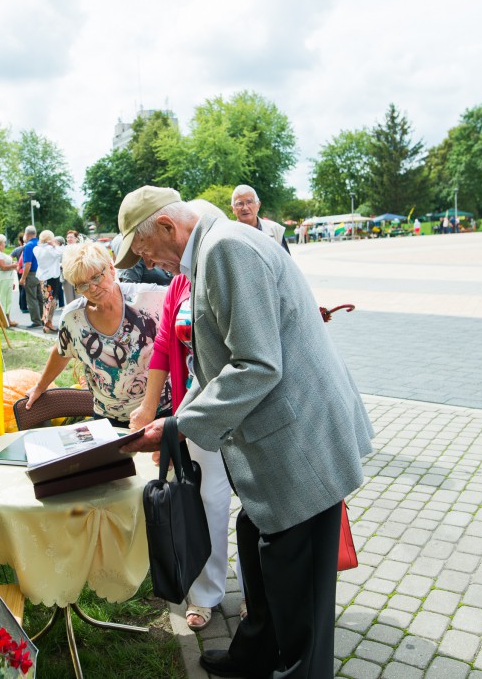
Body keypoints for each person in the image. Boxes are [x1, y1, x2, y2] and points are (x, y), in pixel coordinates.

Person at [116, 186, 374, 679]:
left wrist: (180, 424)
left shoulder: (226, 249)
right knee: (258, 546)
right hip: (279, 443)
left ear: (169, 228)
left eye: (145, 251)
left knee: (300, 591)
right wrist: (172, 420)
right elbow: (213, 367)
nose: (147, 263)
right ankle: (253, 656)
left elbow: (256, 366)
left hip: (300, 445)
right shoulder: (211, 252)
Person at [128, 200, 232, 634]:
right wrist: (150, 408)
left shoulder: (224, 260)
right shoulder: (178, 285)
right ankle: (207, 592)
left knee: (254, 508)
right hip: (198, 406)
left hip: (241, 405)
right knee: (208, 500)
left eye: (149, 249)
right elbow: (166, 346)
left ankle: (258, 590)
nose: (149, 262)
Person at [23, 242, 172, 427]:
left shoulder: (150, 298)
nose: (92, 289)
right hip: (108, 417)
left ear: (111, 268)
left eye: (96, 278)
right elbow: (62, 352)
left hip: (162, 410)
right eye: (82, 285)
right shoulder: (73, 317)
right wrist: (39, 387)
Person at [230, 185, 290, 254]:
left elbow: (286, 262)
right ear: (233, 209)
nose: (245, 208)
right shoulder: (229, 235)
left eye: (249, 202)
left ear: (258, 205)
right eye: (240, 204)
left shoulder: (275, 230)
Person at [19, 225, 43, 328]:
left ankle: (36, 321)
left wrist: (23, 278)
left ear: (26, 234)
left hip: (32, 274)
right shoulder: (40, 243)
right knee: (40, 298)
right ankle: (42, 318)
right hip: (41, 273)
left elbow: (27, 264)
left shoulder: (28, 246)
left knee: (32, 298)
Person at [0, 234, 18, 327]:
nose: (4, 245)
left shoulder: (0, 253)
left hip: (8, 278)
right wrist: (13, 266)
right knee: (3, 299)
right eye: (3, 243)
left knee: (8, 300)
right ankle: (2, 320)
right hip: (2, 278)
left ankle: (7, 319)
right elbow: (2, 267)